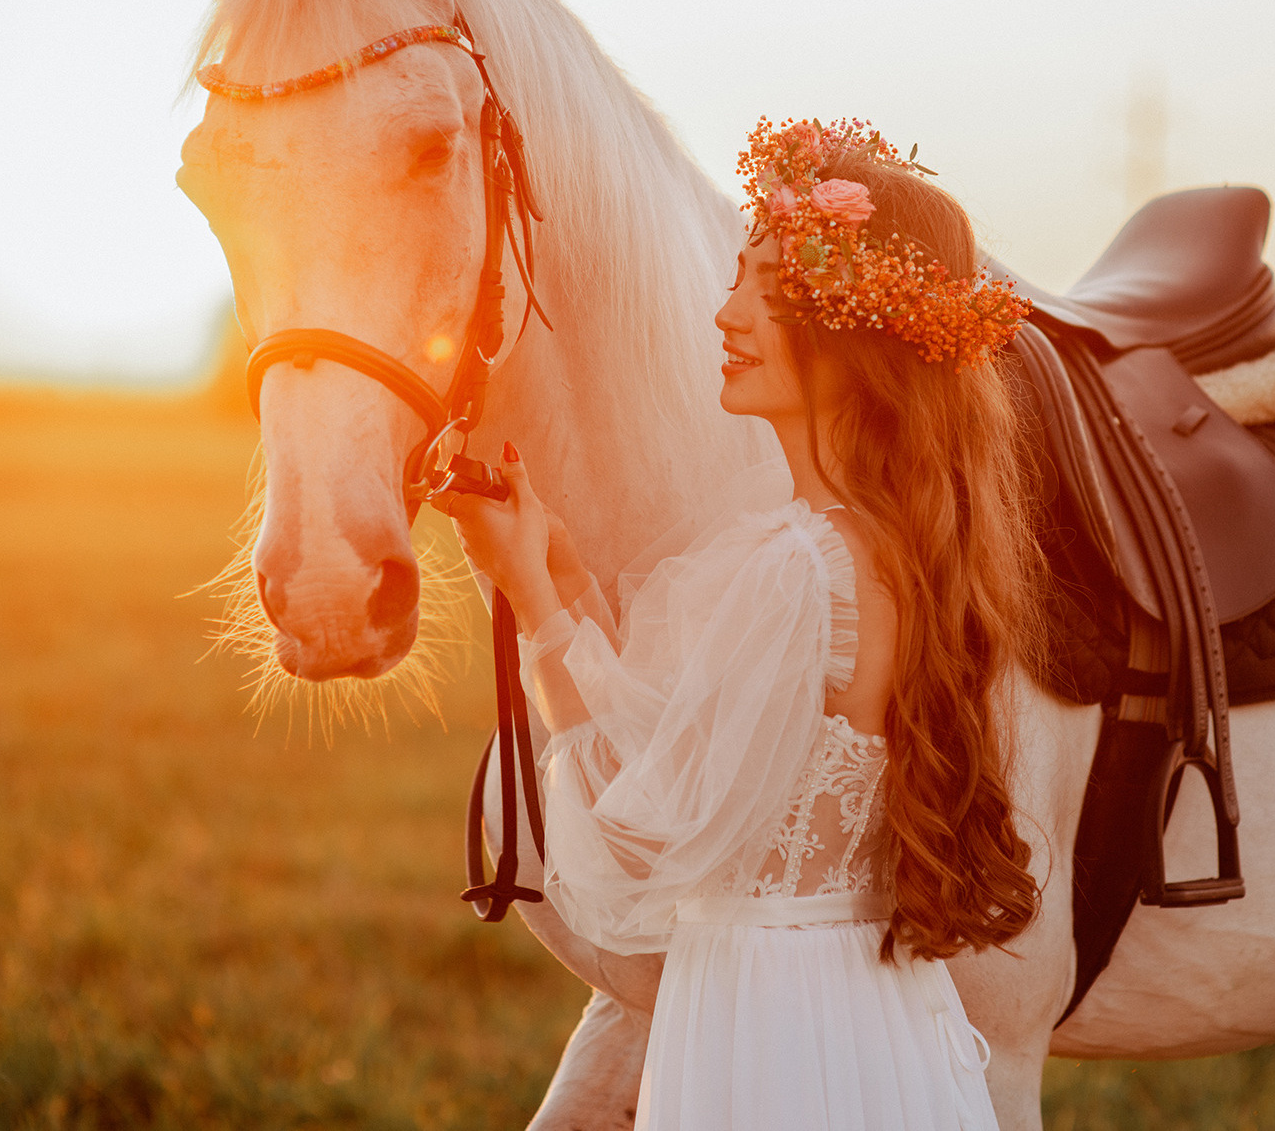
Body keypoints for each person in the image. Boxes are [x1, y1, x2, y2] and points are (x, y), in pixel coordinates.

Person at [448, 118, 1045, 1130]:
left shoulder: (792, 568)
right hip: (871, 1005)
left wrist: (537, 608)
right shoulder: (892, 551)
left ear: (851, 335)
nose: (724, 312)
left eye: (765, 291)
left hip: (769, 1025)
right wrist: (557, 573)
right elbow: (679, 733)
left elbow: (646, 835)